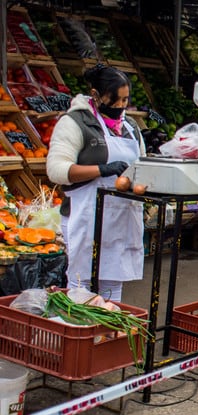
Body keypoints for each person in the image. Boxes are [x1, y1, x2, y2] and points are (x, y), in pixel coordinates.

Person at [47, 65, 145, 302]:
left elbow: (142, 164)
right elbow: (56, 170)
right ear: (96, 95)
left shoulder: (130, 127)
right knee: (81, 285)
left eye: (125, 100)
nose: (121, 106)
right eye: (115, 100)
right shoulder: (74, 122)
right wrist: (102, 170)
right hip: (85, 215)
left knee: (113, 284)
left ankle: (106, 335)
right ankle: (82, 334)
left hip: (121, 219)